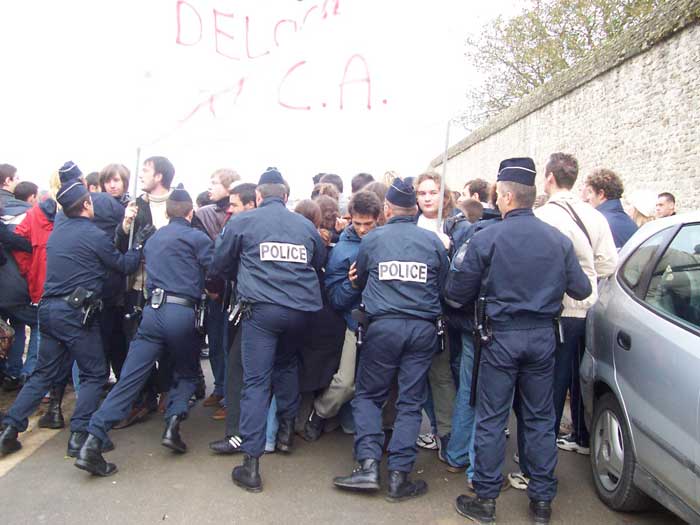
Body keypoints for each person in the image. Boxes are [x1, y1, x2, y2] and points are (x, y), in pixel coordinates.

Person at [445, 157, 591, 524]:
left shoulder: (487, 238)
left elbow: (455, 292)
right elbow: (582, 287)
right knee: (540, 419)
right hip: (543, 337)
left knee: (492, 418)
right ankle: (542, 502)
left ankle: (487, 500)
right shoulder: (557, 240)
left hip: (499, 337)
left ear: (506, 197)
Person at [0, 179, 144, 458]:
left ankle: (8, 431)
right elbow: (124, 265)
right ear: (87, 205)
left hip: (49, 310)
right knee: (94, 373)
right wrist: (136, 245)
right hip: (76, 313)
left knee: (43, 374)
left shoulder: (58, 233)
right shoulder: (94, 235)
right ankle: (79, 435)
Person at [74, 187, 212, 476]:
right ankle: (173, 425)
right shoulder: (197, 238)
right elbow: (215, 271)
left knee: (129, 380)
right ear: (190, 212)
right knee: (186, 372)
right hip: (182, 313)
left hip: (151, 312)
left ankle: (92, 441)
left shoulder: (154, 238)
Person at [333, 178, 449, 502]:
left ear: (387, 209)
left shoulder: (373, 240)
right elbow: (446, 288)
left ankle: (368, 466)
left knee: (369, 397)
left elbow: (363, 281)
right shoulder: (433, 242)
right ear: (414, 210)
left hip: (382, 329)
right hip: (422, 330)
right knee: (410, 402)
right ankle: (399, 477)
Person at [212, 167, 326, 492]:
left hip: (261, 311)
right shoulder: (305, 225)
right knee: (287, 364)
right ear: (286, 197)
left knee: (256, 382)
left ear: (258, 196)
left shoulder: (243, 222)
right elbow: (319, 261)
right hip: (301, 311)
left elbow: (219, 263)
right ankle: (287, 431)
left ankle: (251, 464)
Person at [534, 153, 617, 475]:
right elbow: (609, 264)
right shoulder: (595, 217)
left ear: (550, 178)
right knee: (585, 377)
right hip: (590, 309)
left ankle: (543, 453)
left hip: (559, 311)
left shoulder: (542, 217)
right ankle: (584, 437)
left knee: (553, 384)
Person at [303, 190, 383, 441]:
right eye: (357, 223)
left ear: (378, 218)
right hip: (354, 322)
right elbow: (335, 299)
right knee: (346, 382)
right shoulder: (342, 250)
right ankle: (319, 413)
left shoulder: (388, 240)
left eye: (367, 224)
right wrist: (352, 284)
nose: (362, 229)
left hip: (385, 322)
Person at [114, 156, 180, 427]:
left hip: (168, 287)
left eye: (146, 170)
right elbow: (119, 245)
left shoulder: (179, 203)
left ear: (160, 176)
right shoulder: (135, 205)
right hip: (138, 286)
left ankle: (167, 390)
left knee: (167, 344)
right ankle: (144, 397)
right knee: (135, 346)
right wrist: (126, 226)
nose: (141, 175)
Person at [208, 183, 258, 455]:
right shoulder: (289, 227)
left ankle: (239, 437)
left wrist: (215, 287)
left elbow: (219, 264)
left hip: (250, 311)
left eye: (235, 204)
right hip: (283, 312)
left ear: (252, 203)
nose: (230, 209)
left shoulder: (239, 229)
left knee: (240, 372)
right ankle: (275, 435)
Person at [195, 169, 240, 417]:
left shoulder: (240, 215)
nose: (210, 187)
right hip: (213, 289)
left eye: (214, 183)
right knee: (215, 342)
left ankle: (228, 395)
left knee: (228, 344)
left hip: (233, 290)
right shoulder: (204, 214)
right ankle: (220, 388)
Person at [583, 168, 637, 248]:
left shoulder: (597, 223)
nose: (587, 197)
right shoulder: (631, 223)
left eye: (590, 192)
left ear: (601, 194)